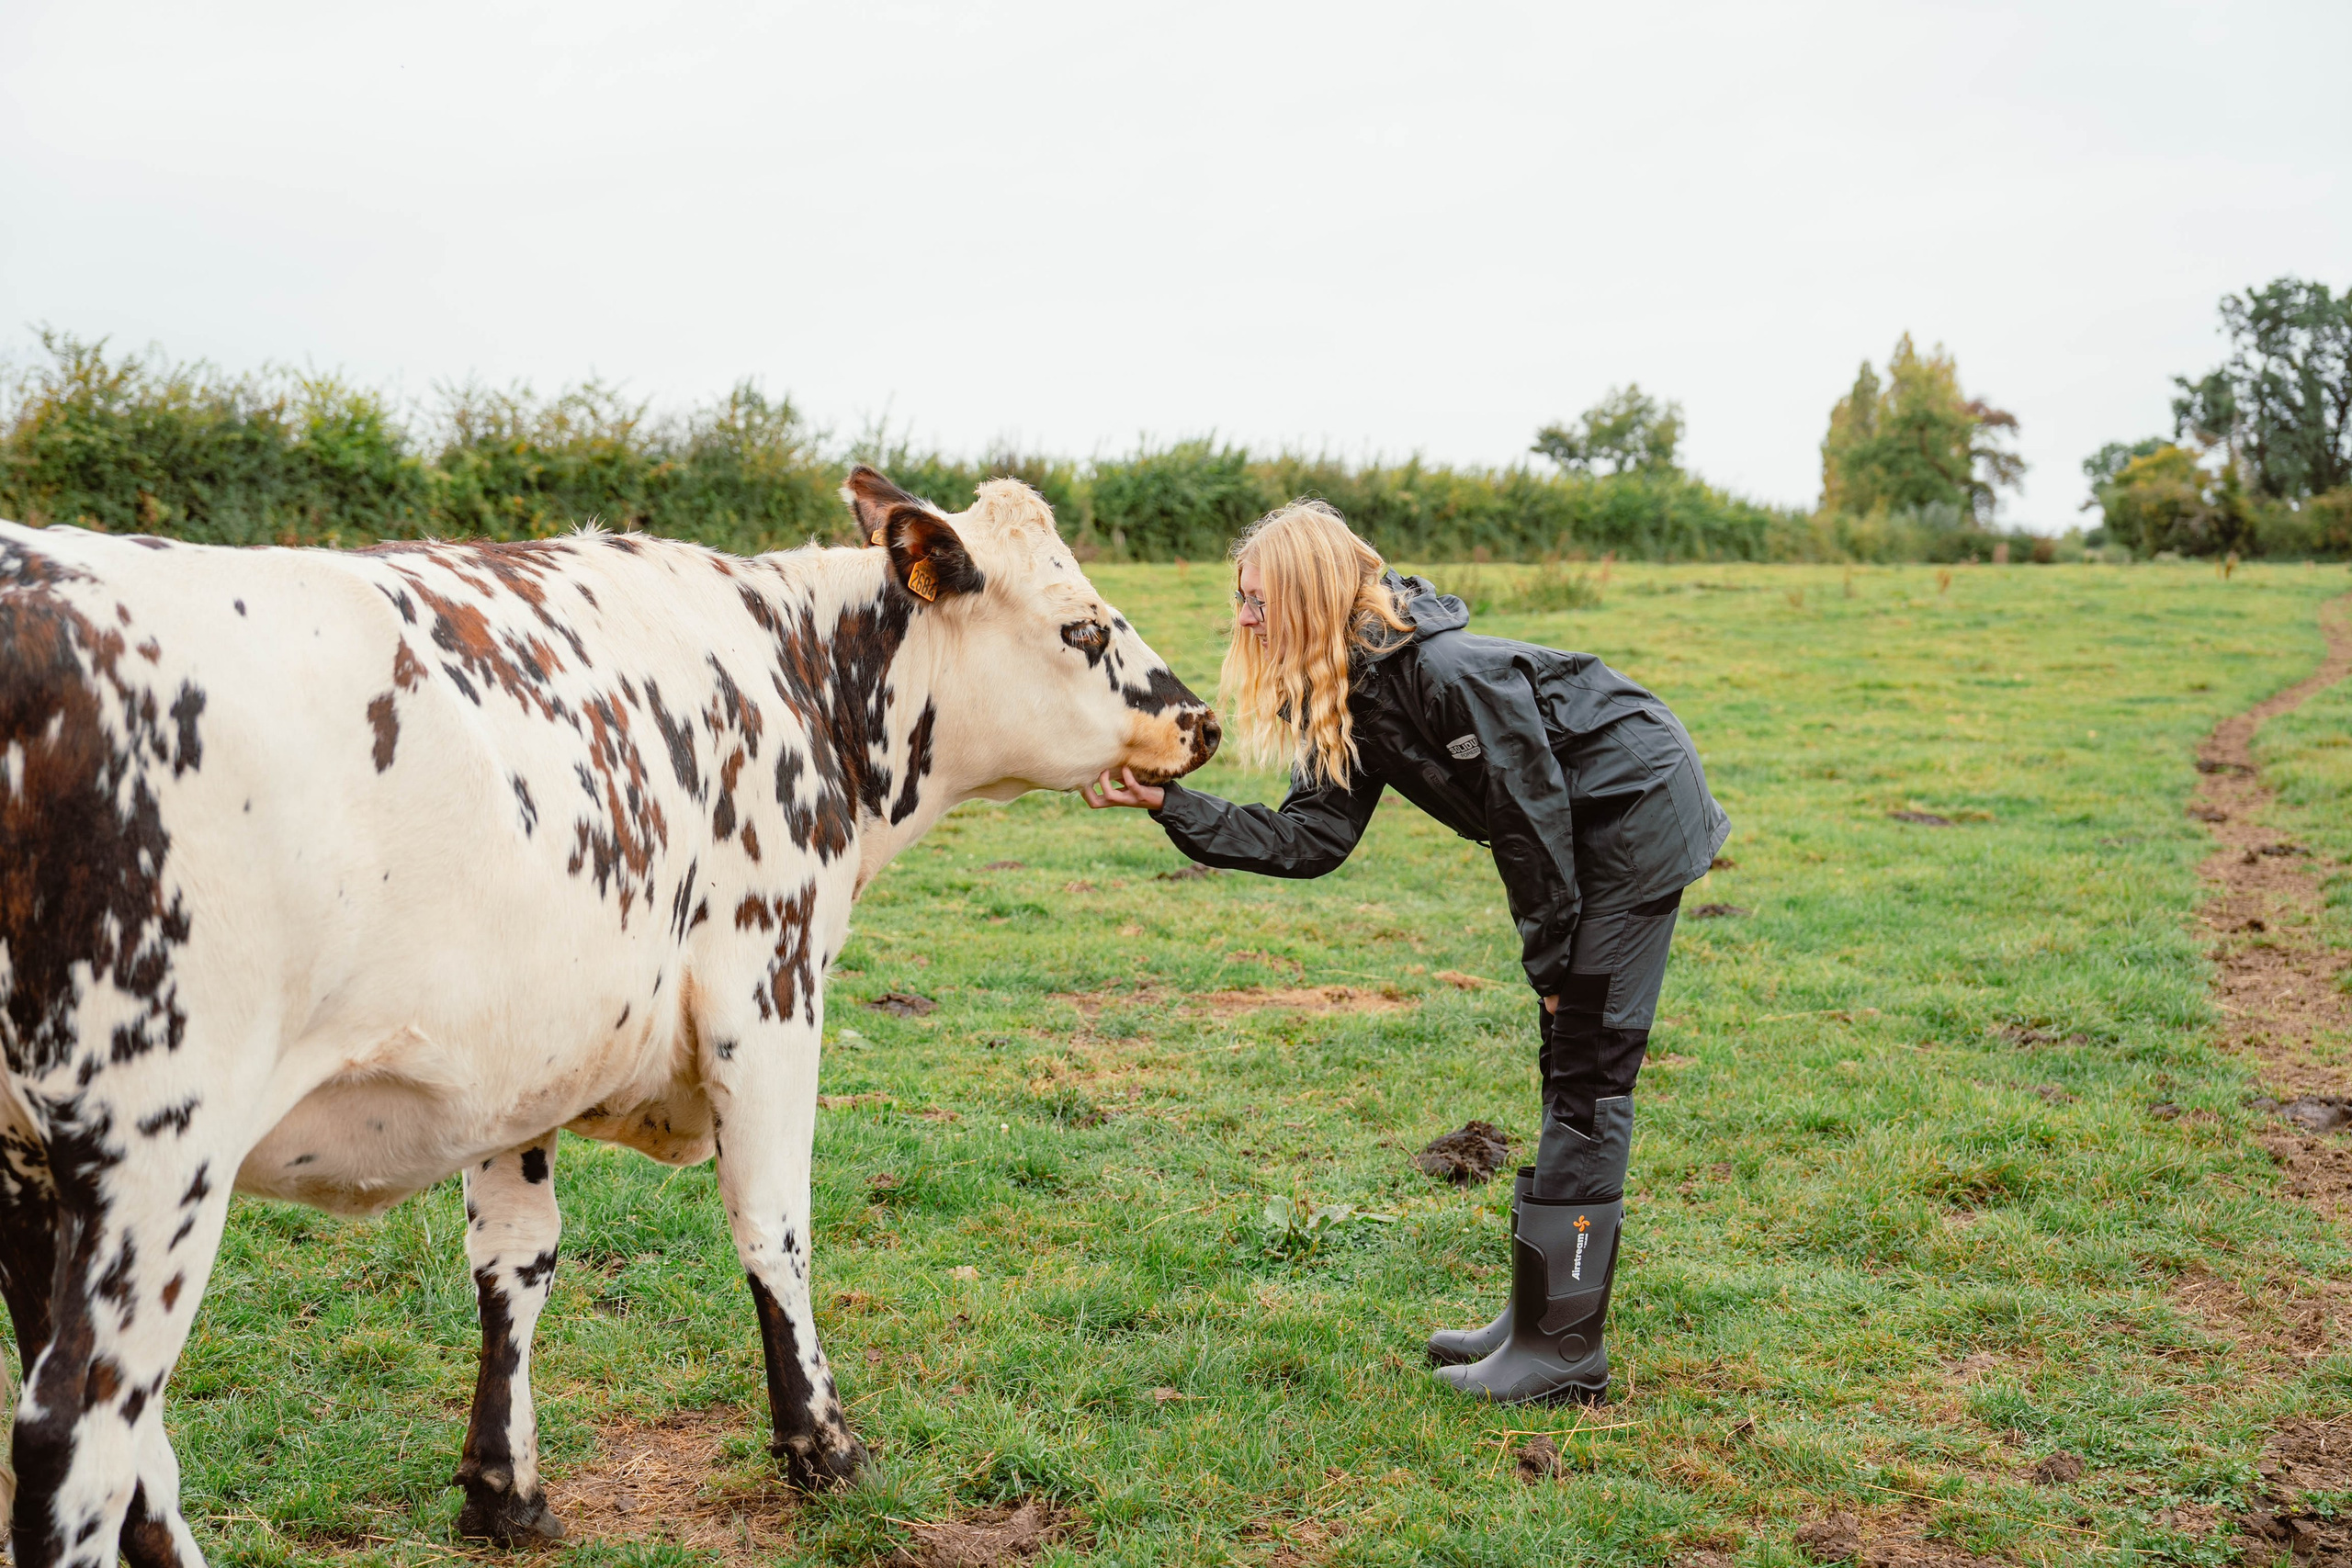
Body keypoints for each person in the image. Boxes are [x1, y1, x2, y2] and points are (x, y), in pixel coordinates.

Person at [1080, 501, 1728, 1406]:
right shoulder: (1352, 691)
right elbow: (1310, 839)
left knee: (1586, 1063)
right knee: (1570, 1065)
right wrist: (1170, 807)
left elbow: (1529, 819)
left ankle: (1563, 1349)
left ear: (1310, 596)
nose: (1244, 617)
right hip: (1582, 823)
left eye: (1259, 599)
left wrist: (1551, 974)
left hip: (1634, 812)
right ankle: (1538, 1318)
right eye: (1239, 597)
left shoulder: (1443, 672)